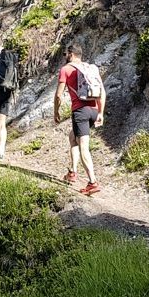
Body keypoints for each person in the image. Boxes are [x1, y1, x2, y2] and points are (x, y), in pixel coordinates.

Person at [53, 42, 105, 195]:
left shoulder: (66, 69)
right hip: (93, 110)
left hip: (80, 111)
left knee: (83, 146)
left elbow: (58, 95)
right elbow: (102, 91)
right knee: (73, 137)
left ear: (71, 54)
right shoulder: (90, 68)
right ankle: (72, 172)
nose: (65, 56)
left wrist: (56, 112)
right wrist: (100, 112)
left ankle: (92, 182)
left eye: (65, 54)